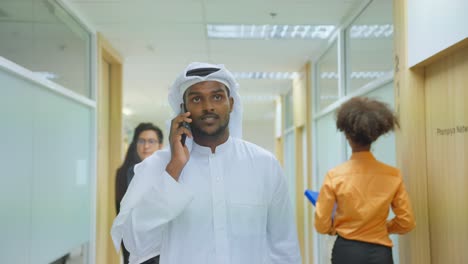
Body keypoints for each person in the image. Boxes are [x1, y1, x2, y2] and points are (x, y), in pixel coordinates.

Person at [111, 62, 301, 264]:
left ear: (231, 103)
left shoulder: (265, 164)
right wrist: (173, 170)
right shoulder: (156, 167)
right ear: (183, 109)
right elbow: (136, 243)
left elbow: (284, 247)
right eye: (196, 98)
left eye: (217, 97)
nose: (208, 106)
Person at [314, 97, 416, 264]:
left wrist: (336, 228)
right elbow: (407, 222)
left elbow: (321, 224)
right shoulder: (393, 175)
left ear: (347, 135)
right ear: (374, 136)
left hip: (346, 252)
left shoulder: (335, 176)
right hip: (380, 253)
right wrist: (382, 228)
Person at [115, 122, 164, 264]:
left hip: (160, 249)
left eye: (151, 141)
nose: (146, 146)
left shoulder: (169, 171)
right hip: (136, 248)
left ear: (160, 145)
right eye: (141, 141)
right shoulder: (128, 172)